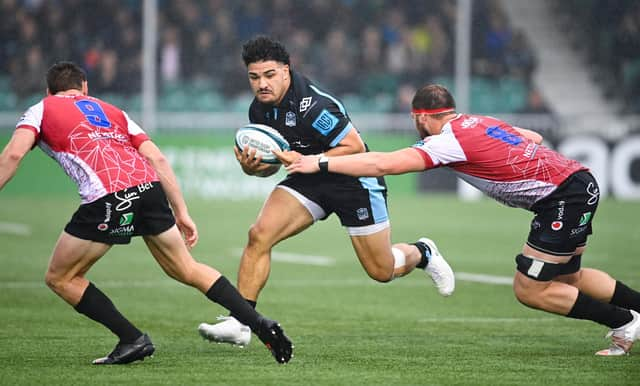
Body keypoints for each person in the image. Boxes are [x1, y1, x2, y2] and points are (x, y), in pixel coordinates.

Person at [282, 84, 640, 356]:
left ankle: (623, 321)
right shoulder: (475, 121)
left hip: (564, 198)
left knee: (529, 289)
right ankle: (634, 312)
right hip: (577, 184)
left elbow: (383, 164)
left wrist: (321, 162)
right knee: (570, 277)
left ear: (421, 117)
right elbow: (533, 136)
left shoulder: (445, 141)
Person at [0, 61, 292, 365]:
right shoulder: (112, 111)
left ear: (49, 90)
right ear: (85, 87)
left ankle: (131, 339)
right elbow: (157, 158)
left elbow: (14, 153)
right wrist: (181, 211)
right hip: (149, 189)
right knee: (186, 268)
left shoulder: (41, 109)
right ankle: (260, 324)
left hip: (109, 196)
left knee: (60, 277)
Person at [197, 36, 455, 346]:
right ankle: (242, 321)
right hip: (311, 179)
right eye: (254, 77)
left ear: (286, 71)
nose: (261, 84)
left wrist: (310, 161)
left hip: (353, 179)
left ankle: (423, 252)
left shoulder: (312, 104)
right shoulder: (260, 111)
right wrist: (253, 167)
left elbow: (354, 147)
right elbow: (276, 164)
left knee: (381, 270)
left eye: (269, 75)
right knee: (259, 235)